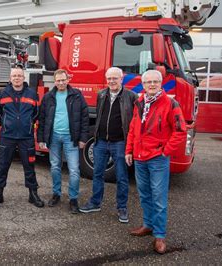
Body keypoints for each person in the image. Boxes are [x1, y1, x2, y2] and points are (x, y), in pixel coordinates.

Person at [125, 69, 186, 254]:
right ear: (143, 85)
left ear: (161, 83)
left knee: (159, 198)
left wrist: (165, 151)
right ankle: (148, 225)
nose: (152, 85)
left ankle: (159, 235)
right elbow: (133, 128)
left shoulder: (170, 103)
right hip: (140, 157)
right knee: (144, 195)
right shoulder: (140, 102)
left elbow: (180, 131)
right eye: (148, 82)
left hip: (157, 159)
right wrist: (129, 150)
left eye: (155, 82)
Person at [79, 67, 137, 223]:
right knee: (97, 174)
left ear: (121, 79)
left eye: (115, 78)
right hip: (101, 142)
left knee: (121, 177)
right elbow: (100, 116)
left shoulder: (131, 96)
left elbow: (134, 122)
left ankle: (122, 208)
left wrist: (131, 145)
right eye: (109, 78)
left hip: (120, 143)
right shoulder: (102, 94)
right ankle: (95, 203)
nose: (111, 81)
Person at [0, 67, 44, 208]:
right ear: (10, 78)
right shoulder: (2, 93)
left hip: (26, 137)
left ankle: (33, 194)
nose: (17, 78)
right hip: (7, 136)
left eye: (19, 75)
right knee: (2, 166)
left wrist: (27, 124)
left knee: (29, 166)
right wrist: (8, 125)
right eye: (14, 76)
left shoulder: (32, 94)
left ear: (23, 78)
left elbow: (36, 113)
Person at [37, 69, 89, 214]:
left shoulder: (77, 95)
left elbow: (84, 118)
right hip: (53, 137)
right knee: (54, 167)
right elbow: (42, 119)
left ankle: (73, 198)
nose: (61, 82)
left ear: (68, 80)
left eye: (63, 80)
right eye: (58, 80)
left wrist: (83, 138)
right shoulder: (48, 97)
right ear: (55, 81)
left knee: (74, 170)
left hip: (71, 138)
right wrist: (41, 138)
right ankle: (56, 194)